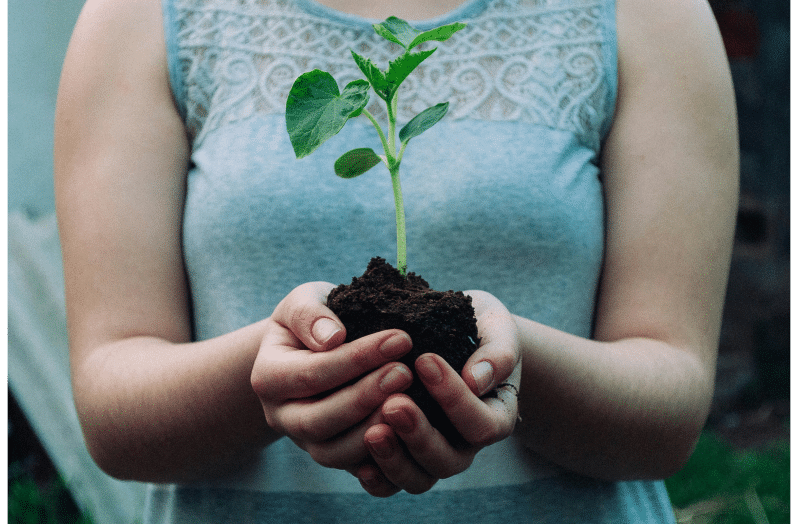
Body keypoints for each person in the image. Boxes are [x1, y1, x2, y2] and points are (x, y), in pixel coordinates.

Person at [54, 0, 738, 521]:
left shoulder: (650, 14)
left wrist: (515, 361)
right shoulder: (144, 16)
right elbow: (113, 414)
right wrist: (268, 375)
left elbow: (669, 408)